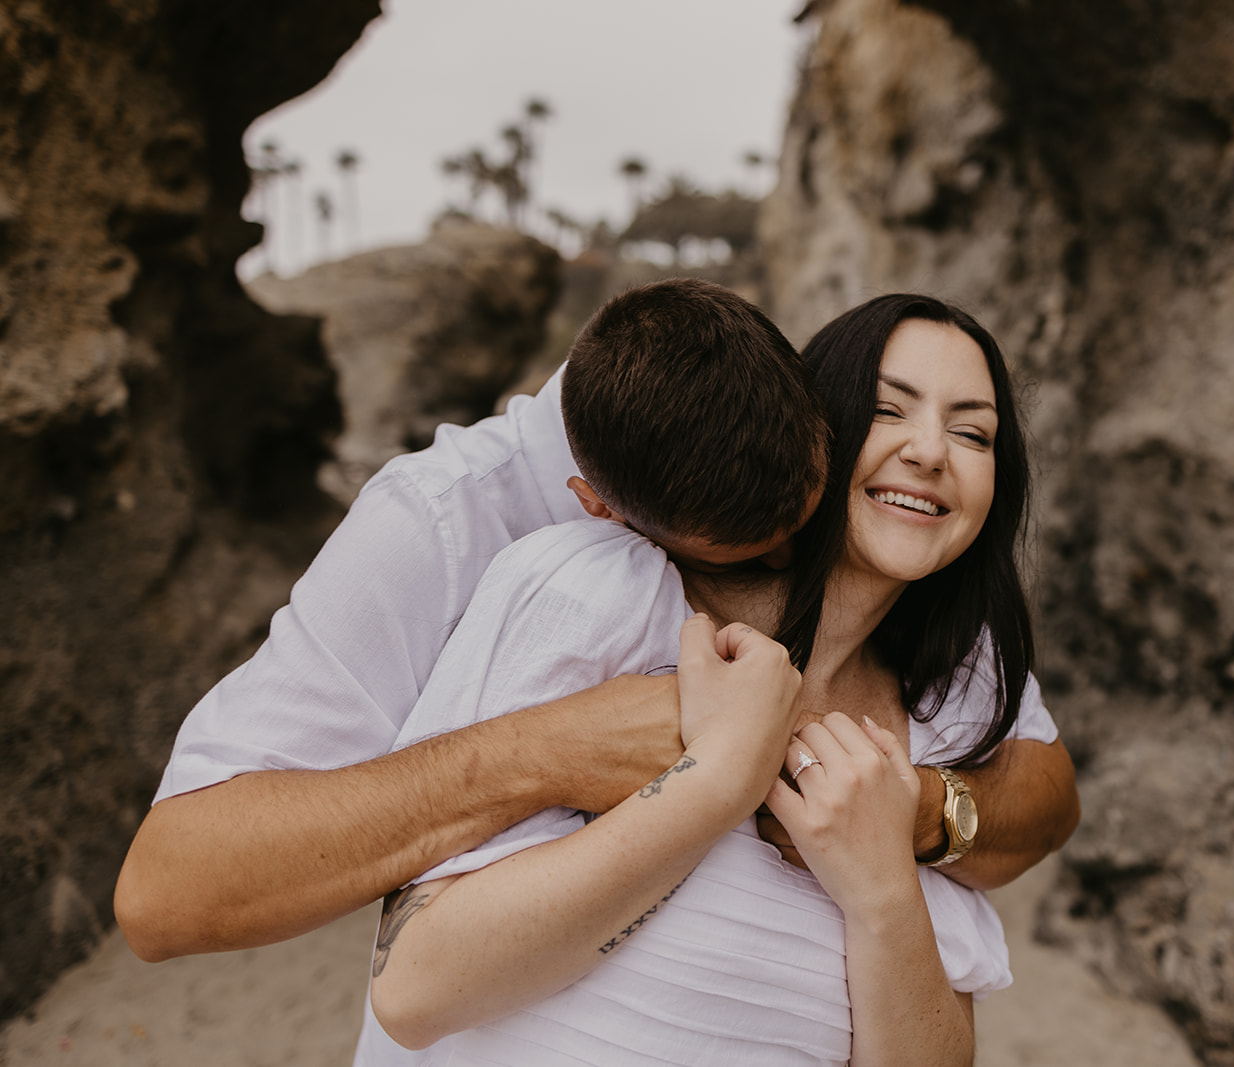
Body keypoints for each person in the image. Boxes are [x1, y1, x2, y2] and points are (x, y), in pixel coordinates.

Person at [114, 280, 1079, 965]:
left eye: (809, 522)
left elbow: (1041, 780)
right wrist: (539, 753)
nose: (793, 567)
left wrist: (913, 810)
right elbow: (167, 894)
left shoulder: (751, 421)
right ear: (601, 511)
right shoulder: (444, 523)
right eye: (746, 558)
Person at [360, 294, 1058, 1065]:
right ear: (811, 431)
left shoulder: (945, 717)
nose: (931, 450)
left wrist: (884, 883)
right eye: (889, 410)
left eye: (973, 432)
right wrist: (719, 778)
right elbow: (414, 991)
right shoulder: (601, 595)